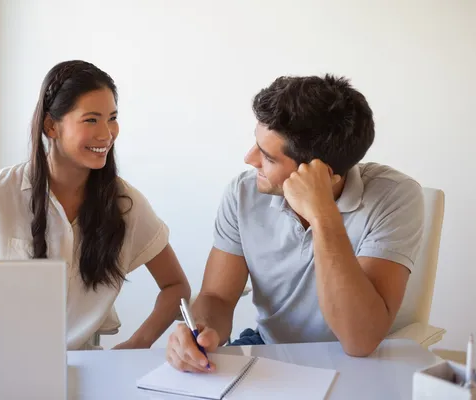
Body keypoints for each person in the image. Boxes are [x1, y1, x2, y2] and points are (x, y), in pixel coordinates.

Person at [167, 74, 425, 372]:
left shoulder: (394, 196)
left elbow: (359, 341)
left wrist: (323, 215)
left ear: (319, 173)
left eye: (268, 157)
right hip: (270, 350)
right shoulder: (243, 192)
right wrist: (201, 330)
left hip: (362, 364)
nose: (249, 159)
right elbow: (217, 296)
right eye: (256, 144)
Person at [0, 60, 190, 351]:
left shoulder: (126, 204)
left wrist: (136, 344)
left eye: (112, 118)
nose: (106, 134)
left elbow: (176, 287)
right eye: (91, 119)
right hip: (5, 362)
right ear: (51, 126)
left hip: (87, 366)